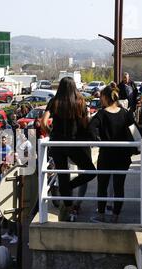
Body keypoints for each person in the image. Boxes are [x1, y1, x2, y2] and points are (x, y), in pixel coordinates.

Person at [41, 77, 96, 222]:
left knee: (63, 175)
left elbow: (43, 122)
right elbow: (85, 123)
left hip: (57, 145)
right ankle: (69, 191)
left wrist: (50, 133)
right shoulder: (80, 102)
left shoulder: (54, 102)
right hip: (74, 144)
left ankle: (68, 203)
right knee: (90, 171)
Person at [88, 85, 135, 223]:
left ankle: (101, 214)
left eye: (101, 97)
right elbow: (135, 132)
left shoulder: (101, 114)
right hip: (123, 156)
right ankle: (116, 215)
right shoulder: (126, 113)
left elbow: (91, 128)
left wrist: (99, 140)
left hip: (106, 155)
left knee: (102, 185)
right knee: (119, 186)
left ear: (105, 97)